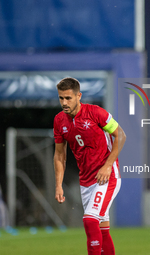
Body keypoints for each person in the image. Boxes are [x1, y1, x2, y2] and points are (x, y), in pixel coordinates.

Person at [53, 77, 126, 255]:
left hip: (107, 176)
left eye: (68, 98)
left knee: (90, 220)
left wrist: (108, 165)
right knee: (102, 228)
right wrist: (58, 184)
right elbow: (60, 154)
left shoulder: (95, 113)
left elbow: (121, 135)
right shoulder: (59, 121)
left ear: (79, 96)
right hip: (86, 180)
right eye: (61, 98)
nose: (64, 102)